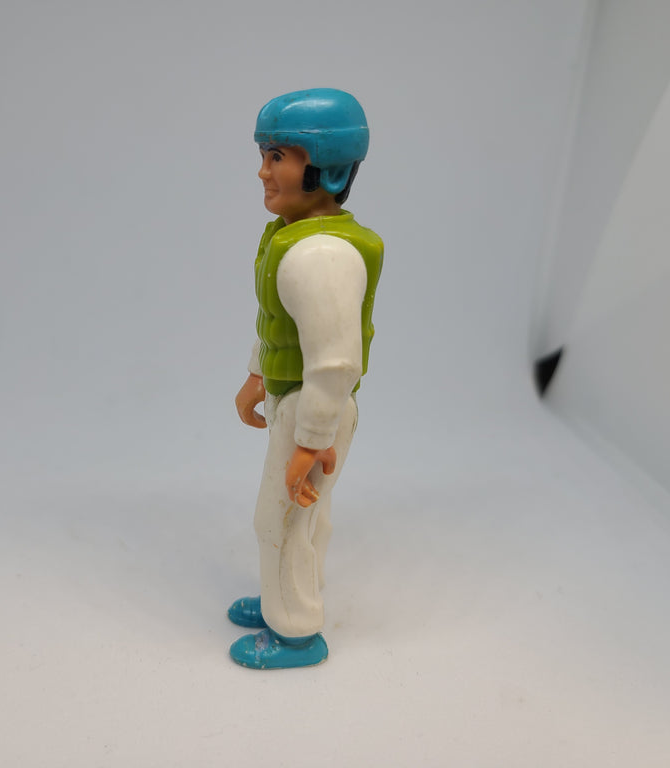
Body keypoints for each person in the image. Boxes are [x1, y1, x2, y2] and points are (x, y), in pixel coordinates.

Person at [229, 88, 383, 669]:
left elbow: (335, 363)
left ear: (329, 170)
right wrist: (257, 376)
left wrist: (312, 441)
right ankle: (288, 594)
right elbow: (280, 327)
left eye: (278, 157)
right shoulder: (292, 239)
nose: (263, 172)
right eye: (264, 155)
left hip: (314, 409)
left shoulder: (320, 256)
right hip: (297, 402)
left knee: (281, 518)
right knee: (302, 517)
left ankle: (294, 630)